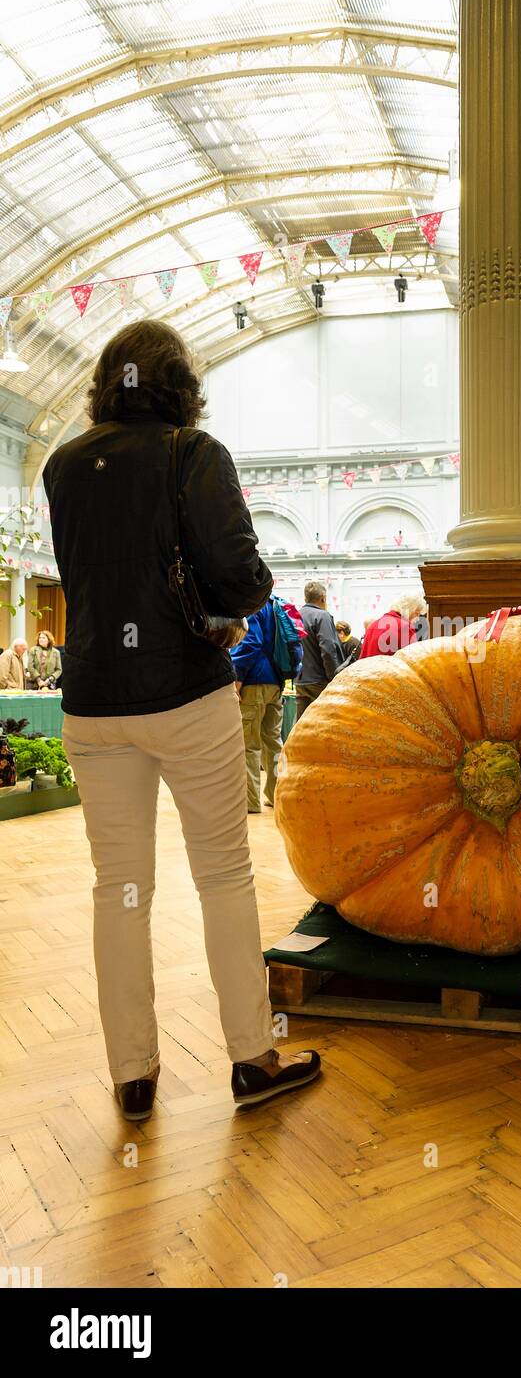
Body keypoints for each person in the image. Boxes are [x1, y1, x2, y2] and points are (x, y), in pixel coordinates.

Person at [42, 319, 319, 1121]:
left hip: (92, 701)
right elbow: (241, 582)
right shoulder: (192, 454)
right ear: (180, 383)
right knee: (224, 877)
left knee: (118, 889)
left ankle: (133, 1076)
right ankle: (250, 1059)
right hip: (186, 695)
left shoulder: (62, 465)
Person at [231, 598, 293, 814]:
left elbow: (251, 642)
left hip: (254, 681)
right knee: (274, 742)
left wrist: (237, 676)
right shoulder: (275, 605)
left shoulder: (250, 605)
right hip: (276, 681)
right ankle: (277, 797)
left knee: (249, 744)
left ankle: (251, 801)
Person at [297, 580, 343, 718]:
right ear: (323, 597)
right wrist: (333, 676)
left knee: (301, 725)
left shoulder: (296, 615)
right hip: (319, 681)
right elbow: (328, 649)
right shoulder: (323, 616)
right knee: (325, 723)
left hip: (300, 680)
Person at [360, 594, 426, 659]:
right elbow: (413, 660)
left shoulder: (374, 625)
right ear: (410, 610)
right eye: (417, 613)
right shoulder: (405, 627)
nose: (417, 619)